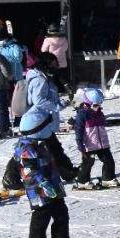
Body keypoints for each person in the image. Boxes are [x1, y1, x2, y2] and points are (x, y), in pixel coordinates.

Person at [15, 108, 75, 238]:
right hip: (38, 188)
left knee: (61, 212)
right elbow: (29, 170)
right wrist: (43, 182)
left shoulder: (41, 143)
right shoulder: (25, 148)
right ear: (37, 129)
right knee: (41, 215)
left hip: (53, 182)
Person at [24, 52, 75, 182]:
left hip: (41, 120)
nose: (55, 67)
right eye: (53, 64)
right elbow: (38, 100)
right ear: (45, 64)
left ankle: (68, 172)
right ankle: (68, 172)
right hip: (37, 121)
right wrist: (57, 106)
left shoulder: (43, 77)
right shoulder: (39, 79)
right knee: (47, 148)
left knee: (51, 148)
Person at [72, 87, 120, 189]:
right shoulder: (82, 114)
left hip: (102, 143)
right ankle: (82, 181)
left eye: (99, 105)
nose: (97, 107)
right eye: (95, 105)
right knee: (88, 162)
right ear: (88, 104)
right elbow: (78, 130)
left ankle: (108, 179)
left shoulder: (99, 113)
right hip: (90, 144)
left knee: (109, 160)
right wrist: (80, 144)